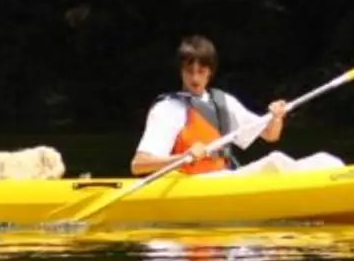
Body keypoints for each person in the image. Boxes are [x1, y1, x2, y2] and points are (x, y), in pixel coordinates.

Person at [131, 35, 342, 177]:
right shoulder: (168, 109)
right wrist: (183, 157)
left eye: (201, 71)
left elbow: (270, 136)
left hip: (224, 179)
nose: (195, 78)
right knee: (276, 162)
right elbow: (139, 165)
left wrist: (275, 116)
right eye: (189, 71)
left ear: (210, 72)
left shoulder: (223, 101)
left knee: (326, 160)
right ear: (180, 72)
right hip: (191, 185)